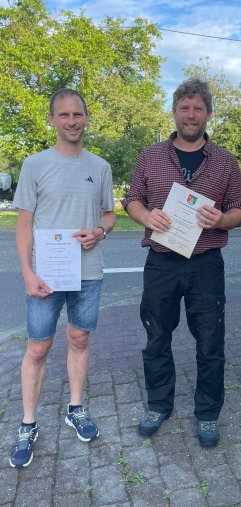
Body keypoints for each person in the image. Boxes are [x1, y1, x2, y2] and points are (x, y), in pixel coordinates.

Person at [124, 78, 241, 447]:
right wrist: (146, 217)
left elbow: (240, 209)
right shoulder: (150, 156)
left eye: (197, 108)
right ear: (175, 112)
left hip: (205, 263)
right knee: (156, 336)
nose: (190, 115)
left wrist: (221, 220)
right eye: (184, 107)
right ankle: (159, 405)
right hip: (161, 261)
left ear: (208, 114)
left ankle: (207, 413)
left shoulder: (226, 161)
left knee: (210, 341)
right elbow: (132, 200)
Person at [10, 88, 115, 468]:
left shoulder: (100, 166)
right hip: (45, 276)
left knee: (79, 337)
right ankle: (27, 424)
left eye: (78, 114)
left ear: (86, 118)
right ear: (52, 119)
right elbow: (23, 225)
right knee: (38, 347)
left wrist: (100, 232)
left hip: (87, 273)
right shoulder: (35, 165)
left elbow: (109, 216)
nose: (72, 121)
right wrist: (26, 272)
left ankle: (75, 408)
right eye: (64, 115)